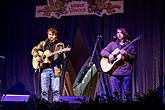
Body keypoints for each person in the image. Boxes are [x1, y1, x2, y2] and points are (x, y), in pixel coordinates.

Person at [100, 28, 136, 101]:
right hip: (114, 72)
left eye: (121, 33)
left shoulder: (130, 45)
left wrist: (126, 54)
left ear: (124, 34)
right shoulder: (112, 44)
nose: (119, 34)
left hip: (125, 72)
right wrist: (109, 55)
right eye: (117, 33)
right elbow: (102, 52)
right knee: (115, 93)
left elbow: (134, 57)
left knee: (127, 93)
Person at [31, 27, 66, 102]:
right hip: (44, 69)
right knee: (44, 91)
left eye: (52, 34)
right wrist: (37, 56)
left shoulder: (60, 45)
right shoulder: (43, 44)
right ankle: (44, 106)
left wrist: (60, 54)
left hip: (55, 69)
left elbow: (63, 59)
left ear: (56, 35)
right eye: (49, 34)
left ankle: (56, 106)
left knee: (56, 91)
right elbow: (34, 50)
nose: (51, 36)